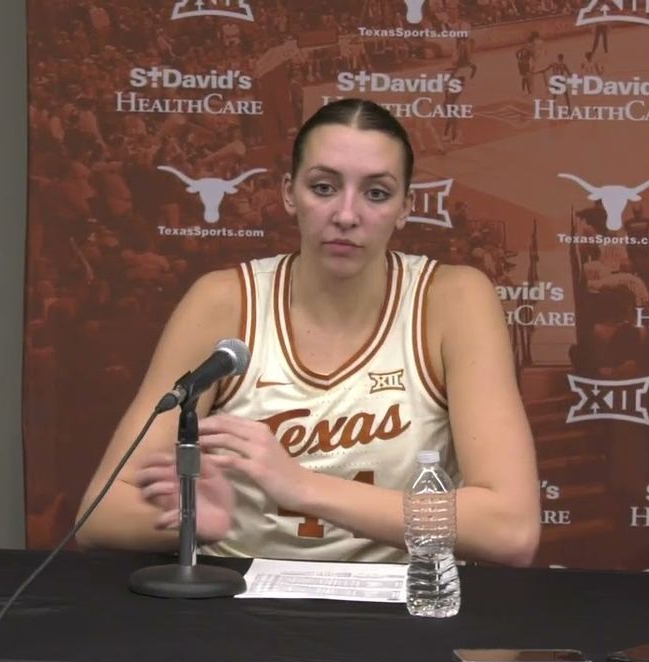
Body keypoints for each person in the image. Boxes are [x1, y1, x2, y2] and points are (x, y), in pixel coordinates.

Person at [75, 98, 540, 567]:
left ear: (406, 207)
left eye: (376, 193)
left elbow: (510, 529)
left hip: (398, 614)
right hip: (241, 611)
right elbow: (102, 514)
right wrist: (199, 520)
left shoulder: (451, 299)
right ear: (288, 193)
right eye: (323, 187)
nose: (346, 214)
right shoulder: (223, 302)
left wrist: (303, 487)